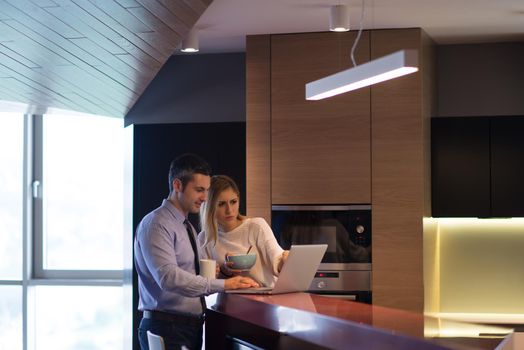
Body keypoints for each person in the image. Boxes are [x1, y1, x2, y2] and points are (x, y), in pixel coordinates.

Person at [134, 154, 259, 350]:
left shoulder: (186, 227)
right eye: (199, 190)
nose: (204, 197)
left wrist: (221, 271)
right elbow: (168, 278)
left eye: (207, 191)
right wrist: (224, 284)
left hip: (186, 328)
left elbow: (190, 273)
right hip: (167, 329)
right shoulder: (156, 225)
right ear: (177, 185)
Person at [198, 175, 289, 288]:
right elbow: (205, 283)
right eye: (221, 204)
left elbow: (277, 258)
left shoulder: (256, 226)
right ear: (209, 206)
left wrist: (285, 261)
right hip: (225, 302)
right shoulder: (204, 238)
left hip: (265, 298)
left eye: (233, 202)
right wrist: (223, 272)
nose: (229, 210)